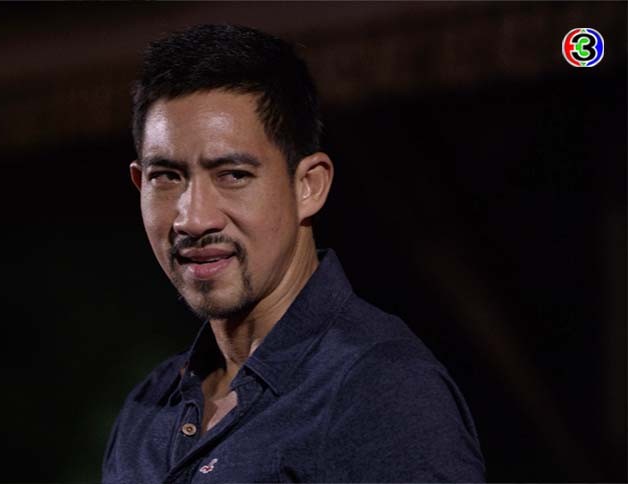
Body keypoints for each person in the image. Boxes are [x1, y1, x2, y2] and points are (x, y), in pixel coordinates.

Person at [102, 24, 485, 483]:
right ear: (139, 184)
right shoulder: (147, 409)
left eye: (233, 175)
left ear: (309, 186)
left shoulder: (381, 389)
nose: (194, 219)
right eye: (167, 177)